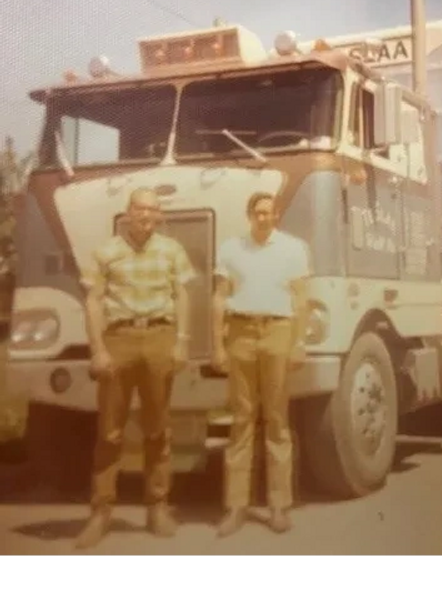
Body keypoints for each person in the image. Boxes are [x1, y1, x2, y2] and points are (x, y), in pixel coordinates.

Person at [74, 187, 196, 550]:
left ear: (159, 216)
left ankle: (157, 507)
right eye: (140, 208)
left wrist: (182, 340)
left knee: (157, 429)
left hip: (159, 337)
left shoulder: (171, 250)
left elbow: (182, 295)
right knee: (110, 431)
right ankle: (101, 512)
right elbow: (94, 302)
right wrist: (97, 349)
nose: (146, 215)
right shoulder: (105, 252)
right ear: (127, 212)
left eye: (153, 210)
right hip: (119, 341)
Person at [211, 191, 311, 537]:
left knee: (277, 420)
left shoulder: (293, 249)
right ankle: (236, 506)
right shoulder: (231, 249)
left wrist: (298, 342)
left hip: (277, 332)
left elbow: (301, 299)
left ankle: (279, 506)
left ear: (276, 215)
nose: (263, 218)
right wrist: (217, 346)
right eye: (257, 212)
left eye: (268, 212)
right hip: (240, 333)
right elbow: (219, 297)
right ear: (249, 215)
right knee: (241, 420)